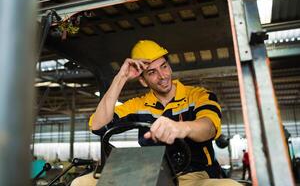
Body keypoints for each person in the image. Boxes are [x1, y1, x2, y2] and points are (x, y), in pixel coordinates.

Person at [71, 40, 241, 186]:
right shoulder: (137, 105)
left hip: (192, 175)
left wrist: (181, 128)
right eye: (152, 72)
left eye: (164, 66)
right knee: (81, 183)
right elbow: (98, 125)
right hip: (147, 174)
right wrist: (121, 77)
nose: (162, 76)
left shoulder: (198, 96)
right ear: (143, 81)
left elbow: (209, 127)